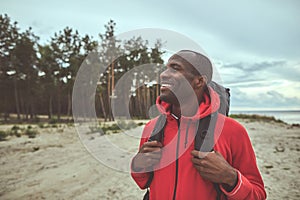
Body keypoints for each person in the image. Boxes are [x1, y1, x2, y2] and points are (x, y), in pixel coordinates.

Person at [130, 50, 266, 200]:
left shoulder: (232, 131)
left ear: (199, 81)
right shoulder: (152, 128)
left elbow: (258, 194)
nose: (163, 74)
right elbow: (143, 182)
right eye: (165, 68)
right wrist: (138, 165)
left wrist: (231, 178)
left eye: (175, 68)